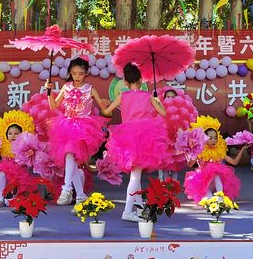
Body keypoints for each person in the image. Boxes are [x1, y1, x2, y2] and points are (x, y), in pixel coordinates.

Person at [101, 63, 170, 222]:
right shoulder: (148, 96)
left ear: (125, 82)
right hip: (144, 137)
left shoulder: (122, 96)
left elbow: (106, 111)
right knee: (135, 176)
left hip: (127, 137)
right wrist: (157, 100)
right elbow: (163, 112)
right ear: (140, 80)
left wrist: (104, 105)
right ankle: (127, 211)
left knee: (135, 175)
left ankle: (138, 208)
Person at [45, 57, 109, 206]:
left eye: (80, 73)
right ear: (70, 73)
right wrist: (48, 91)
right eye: (74, 73)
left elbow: (104, 108)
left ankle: (67, 189)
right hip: (67, 125)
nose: (77, 76)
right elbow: (53, 106)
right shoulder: (66, 87)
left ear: (86, 73)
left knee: (70, 157)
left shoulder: (90, 89)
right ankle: (79, 195)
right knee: (70, 158)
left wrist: (115, 103)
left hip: (83, 127)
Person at [183, 116, 246, 203]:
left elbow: (234, 162)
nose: (213, 140)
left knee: (215, 172)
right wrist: (189, 152)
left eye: (215, 138)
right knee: (209, 198)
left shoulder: (219, 151)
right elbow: (189, 164)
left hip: (217, 182)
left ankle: (220, 195)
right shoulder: (200, 150)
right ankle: (212, 198)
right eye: (210, 138)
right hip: (203, 183)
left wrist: (242, 149)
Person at [0, 110, 37, 208]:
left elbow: (29, 162)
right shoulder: (3, 147)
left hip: (19, 175)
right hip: (5, 173)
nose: (13, 136)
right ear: (6, 134)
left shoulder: (24, 146)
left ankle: (10, 198)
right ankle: (0, 199)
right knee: (2, 173)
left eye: (16, 133)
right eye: (10, 133)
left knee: (11, 202)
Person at [156, 86, 198, 182]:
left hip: (178, 142)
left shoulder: (183, 110)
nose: (170, 99)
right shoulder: (159, 110)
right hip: (164, 142)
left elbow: (188, 126)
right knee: (165, 166)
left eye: (173, 97)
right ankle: (165, 185)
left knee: (175, 166)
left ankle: (174, 185)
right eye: (168, 97)